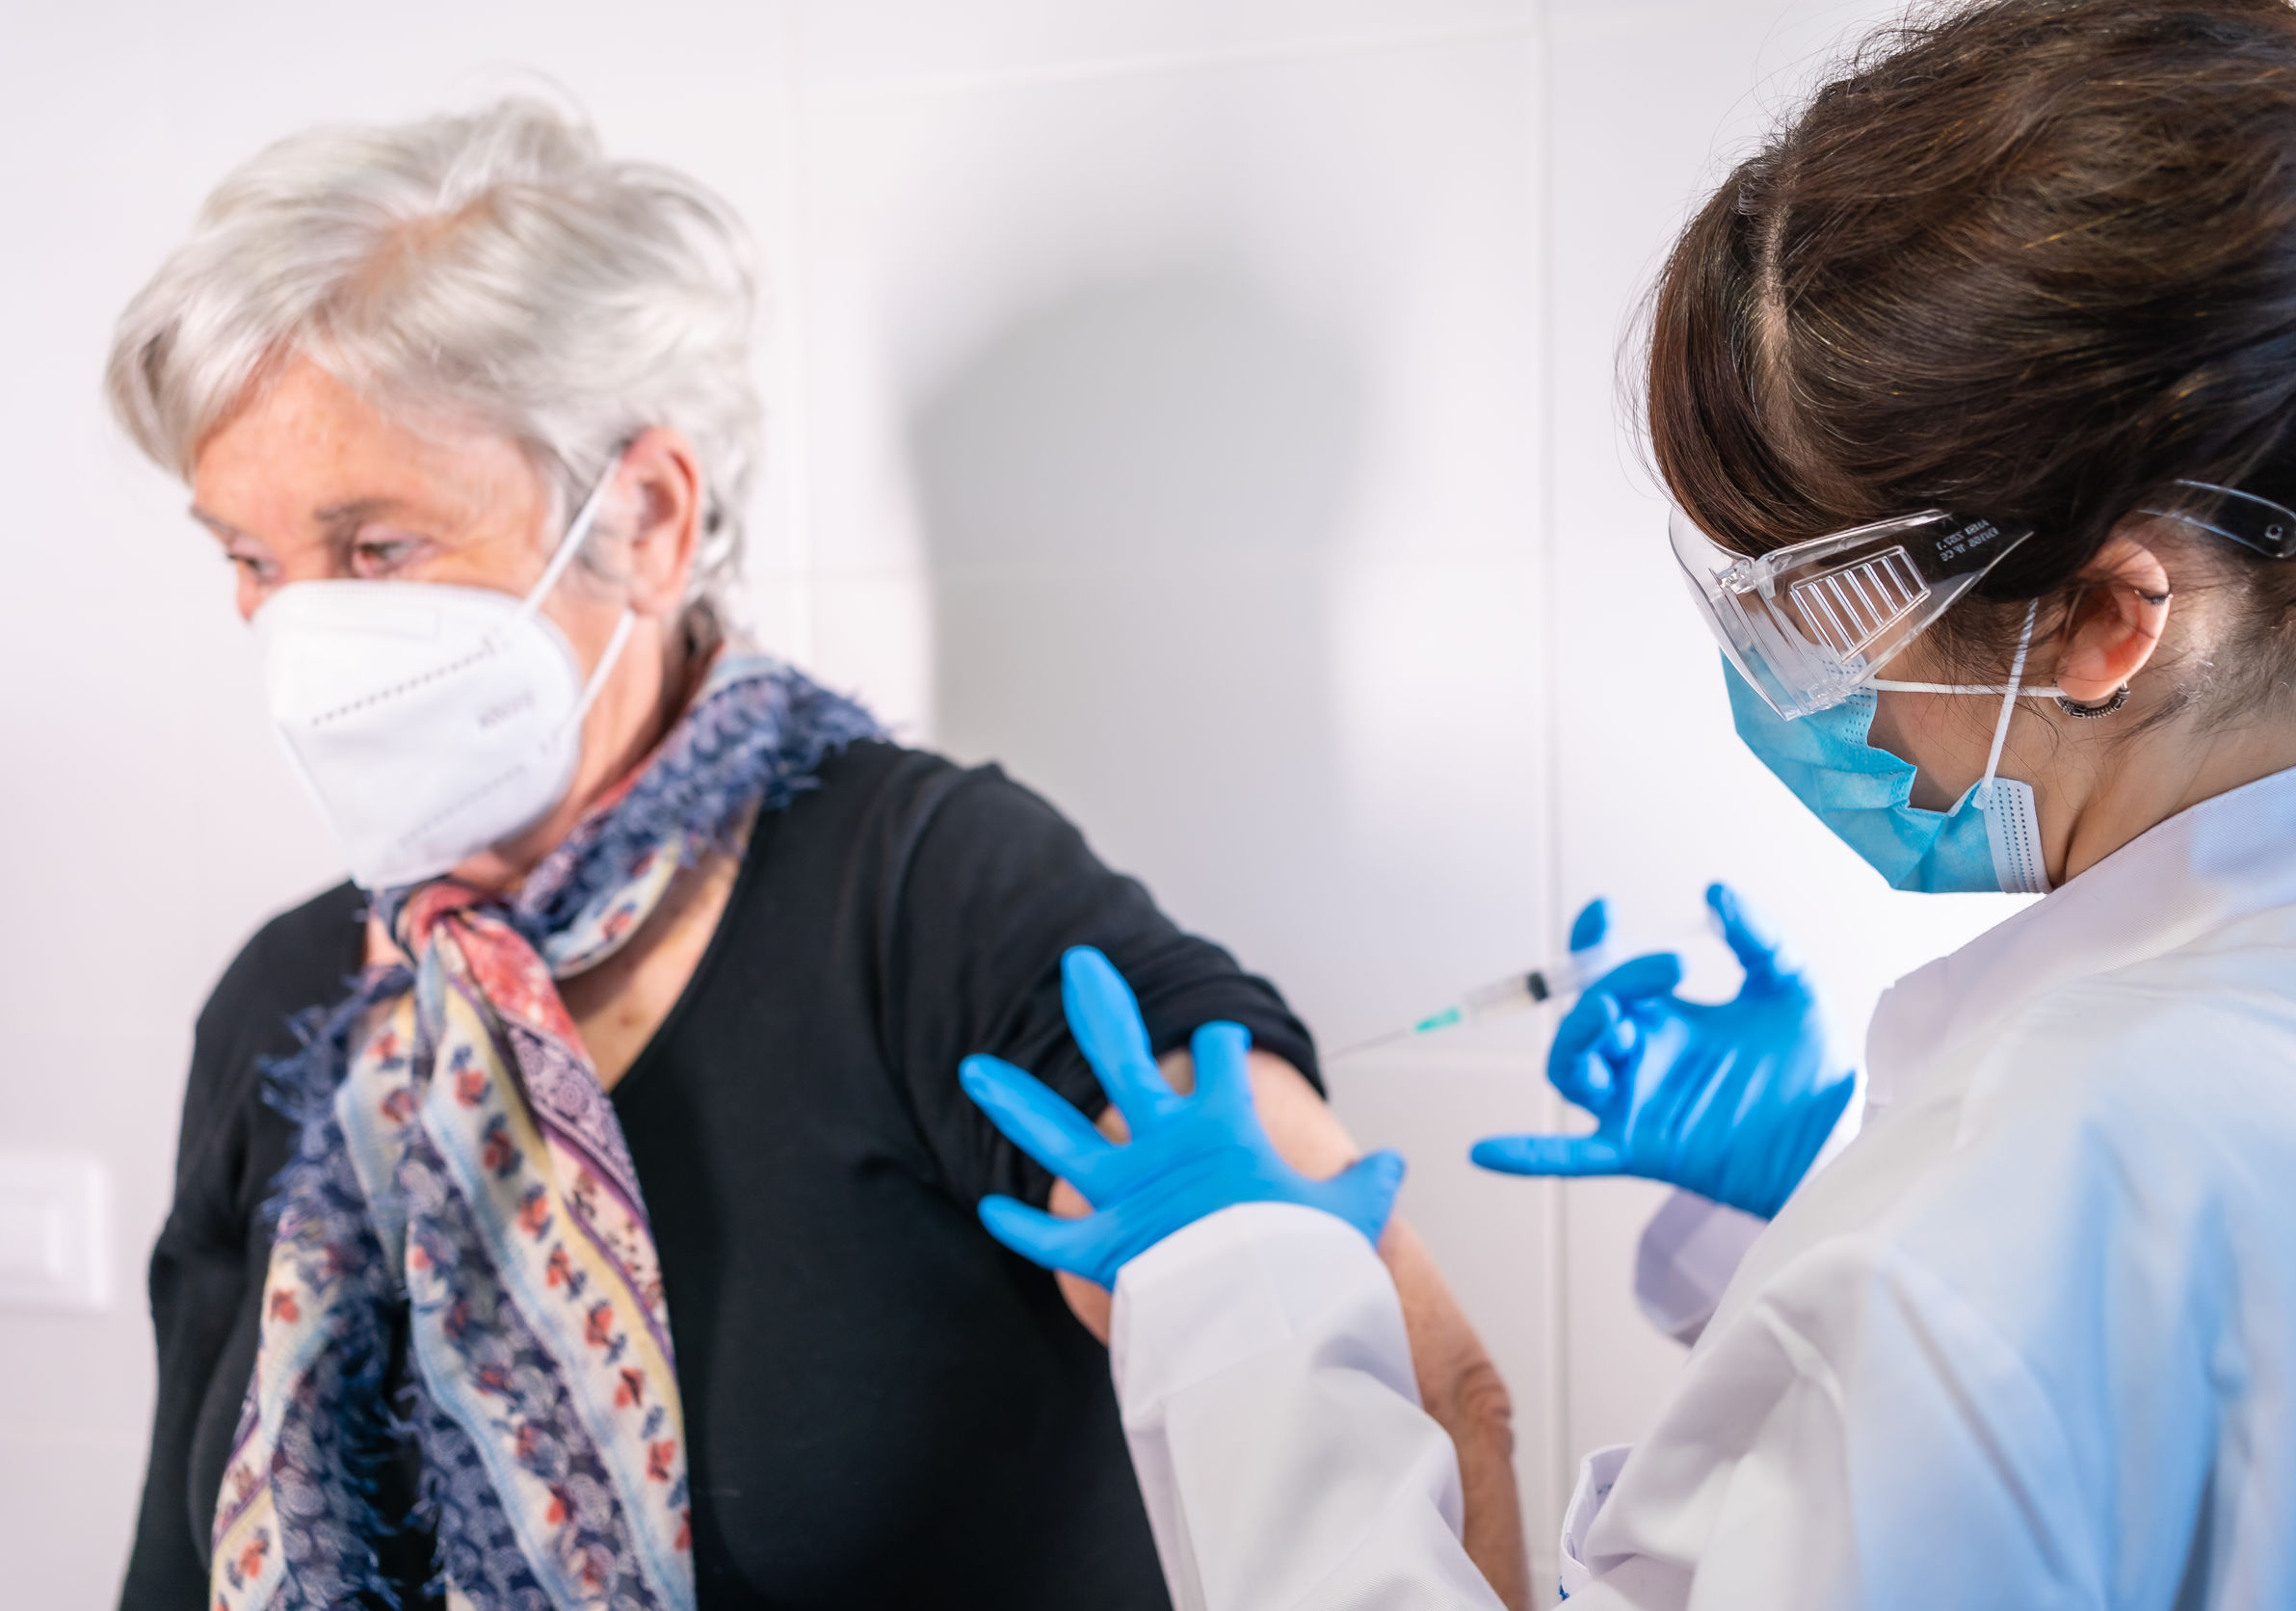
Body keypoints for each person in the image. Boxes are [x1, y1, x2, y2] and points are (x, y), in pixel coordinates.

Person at [957, 0, 2296, 1603]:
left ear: (2100, 619)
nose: (1779, 682)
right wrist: (1815, 1209)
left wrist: (1249, 1312)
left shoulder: (2015, 1213)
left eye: (1817, 608)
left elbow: (2012, 1354)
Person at [106, 101, 1525, 1610]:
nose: (296, 637)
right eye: (250, 561)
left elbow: (1433, 1406)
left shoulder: (935, 904)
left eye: (376, 549)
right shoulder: (284, 1008)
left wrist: (1248, 1282)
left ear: (648, 515)